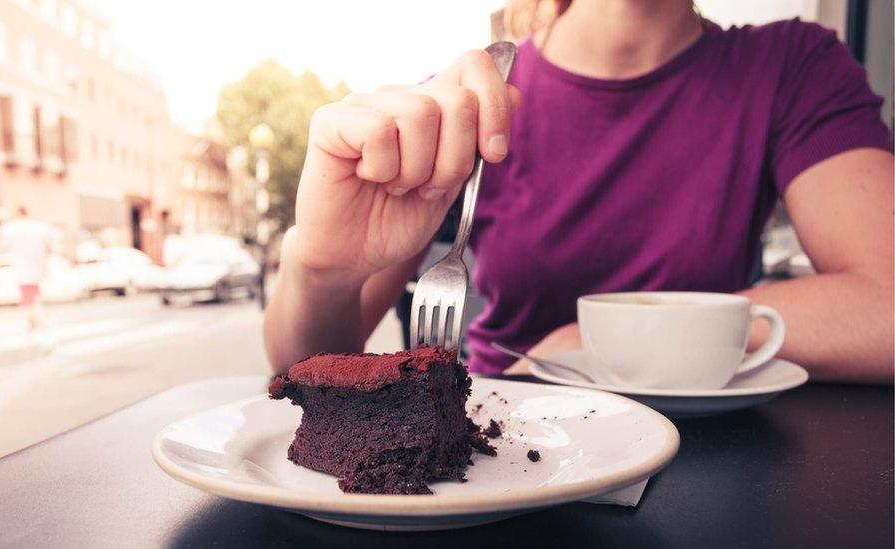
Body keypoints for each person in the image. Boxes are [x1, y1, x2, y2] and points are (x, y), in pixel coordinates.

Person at [264, 0, 894, 383]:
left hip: (710, 457)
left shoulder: (790, 65)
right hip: (503, 440)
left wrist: (600, 341)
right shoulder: (464, 104)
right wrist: (321, 268)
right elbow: (307, 366)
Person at [0, 206, 51, 331]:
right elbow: (48, 245)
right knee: (34, 294)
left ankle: (34, 322)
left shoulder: (10, 227)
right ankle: (34, 321)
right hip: (37, 266)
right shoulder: (38, 226)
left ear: (17, 213)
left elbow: (3, 245)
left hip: (22, 267)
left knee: (27, 296)